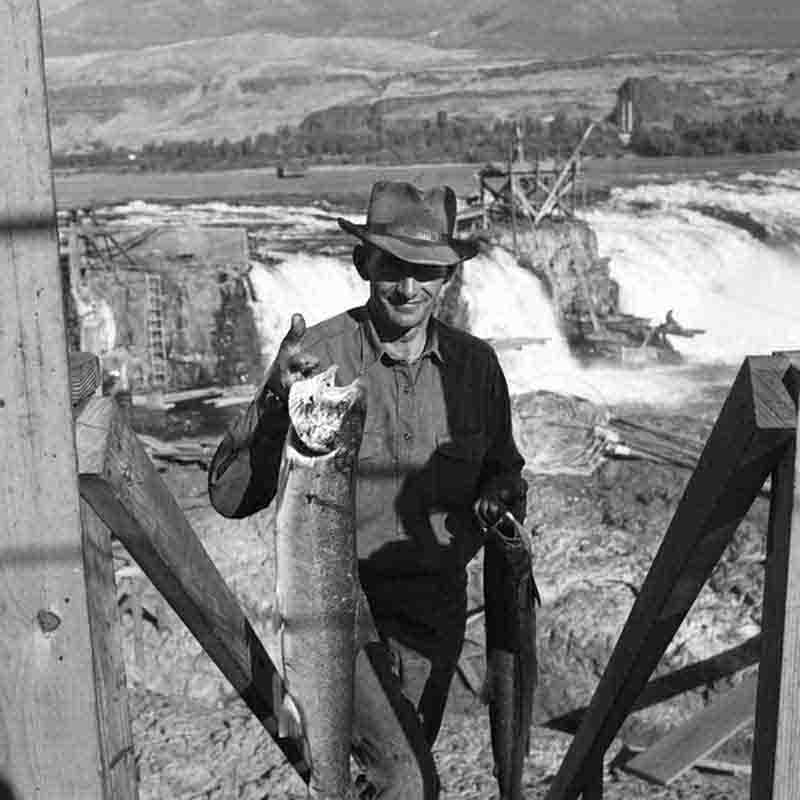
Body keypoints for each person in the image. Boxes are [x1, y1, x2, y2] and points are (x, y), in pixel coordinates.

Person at [208, 180, 528, 797]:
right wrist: (276, 397)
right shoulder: (318, 356)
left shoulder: (476, 369)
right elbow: (229, 496)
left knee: (388, 777)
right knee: (407, 781)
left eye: (426, 272)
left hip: (435, 611)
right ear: (365, 265)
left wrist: (500, 492)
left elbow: (504, 467)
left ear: (448, 279)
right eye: (393, 269)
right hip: (338, 609)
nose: (408, 289)